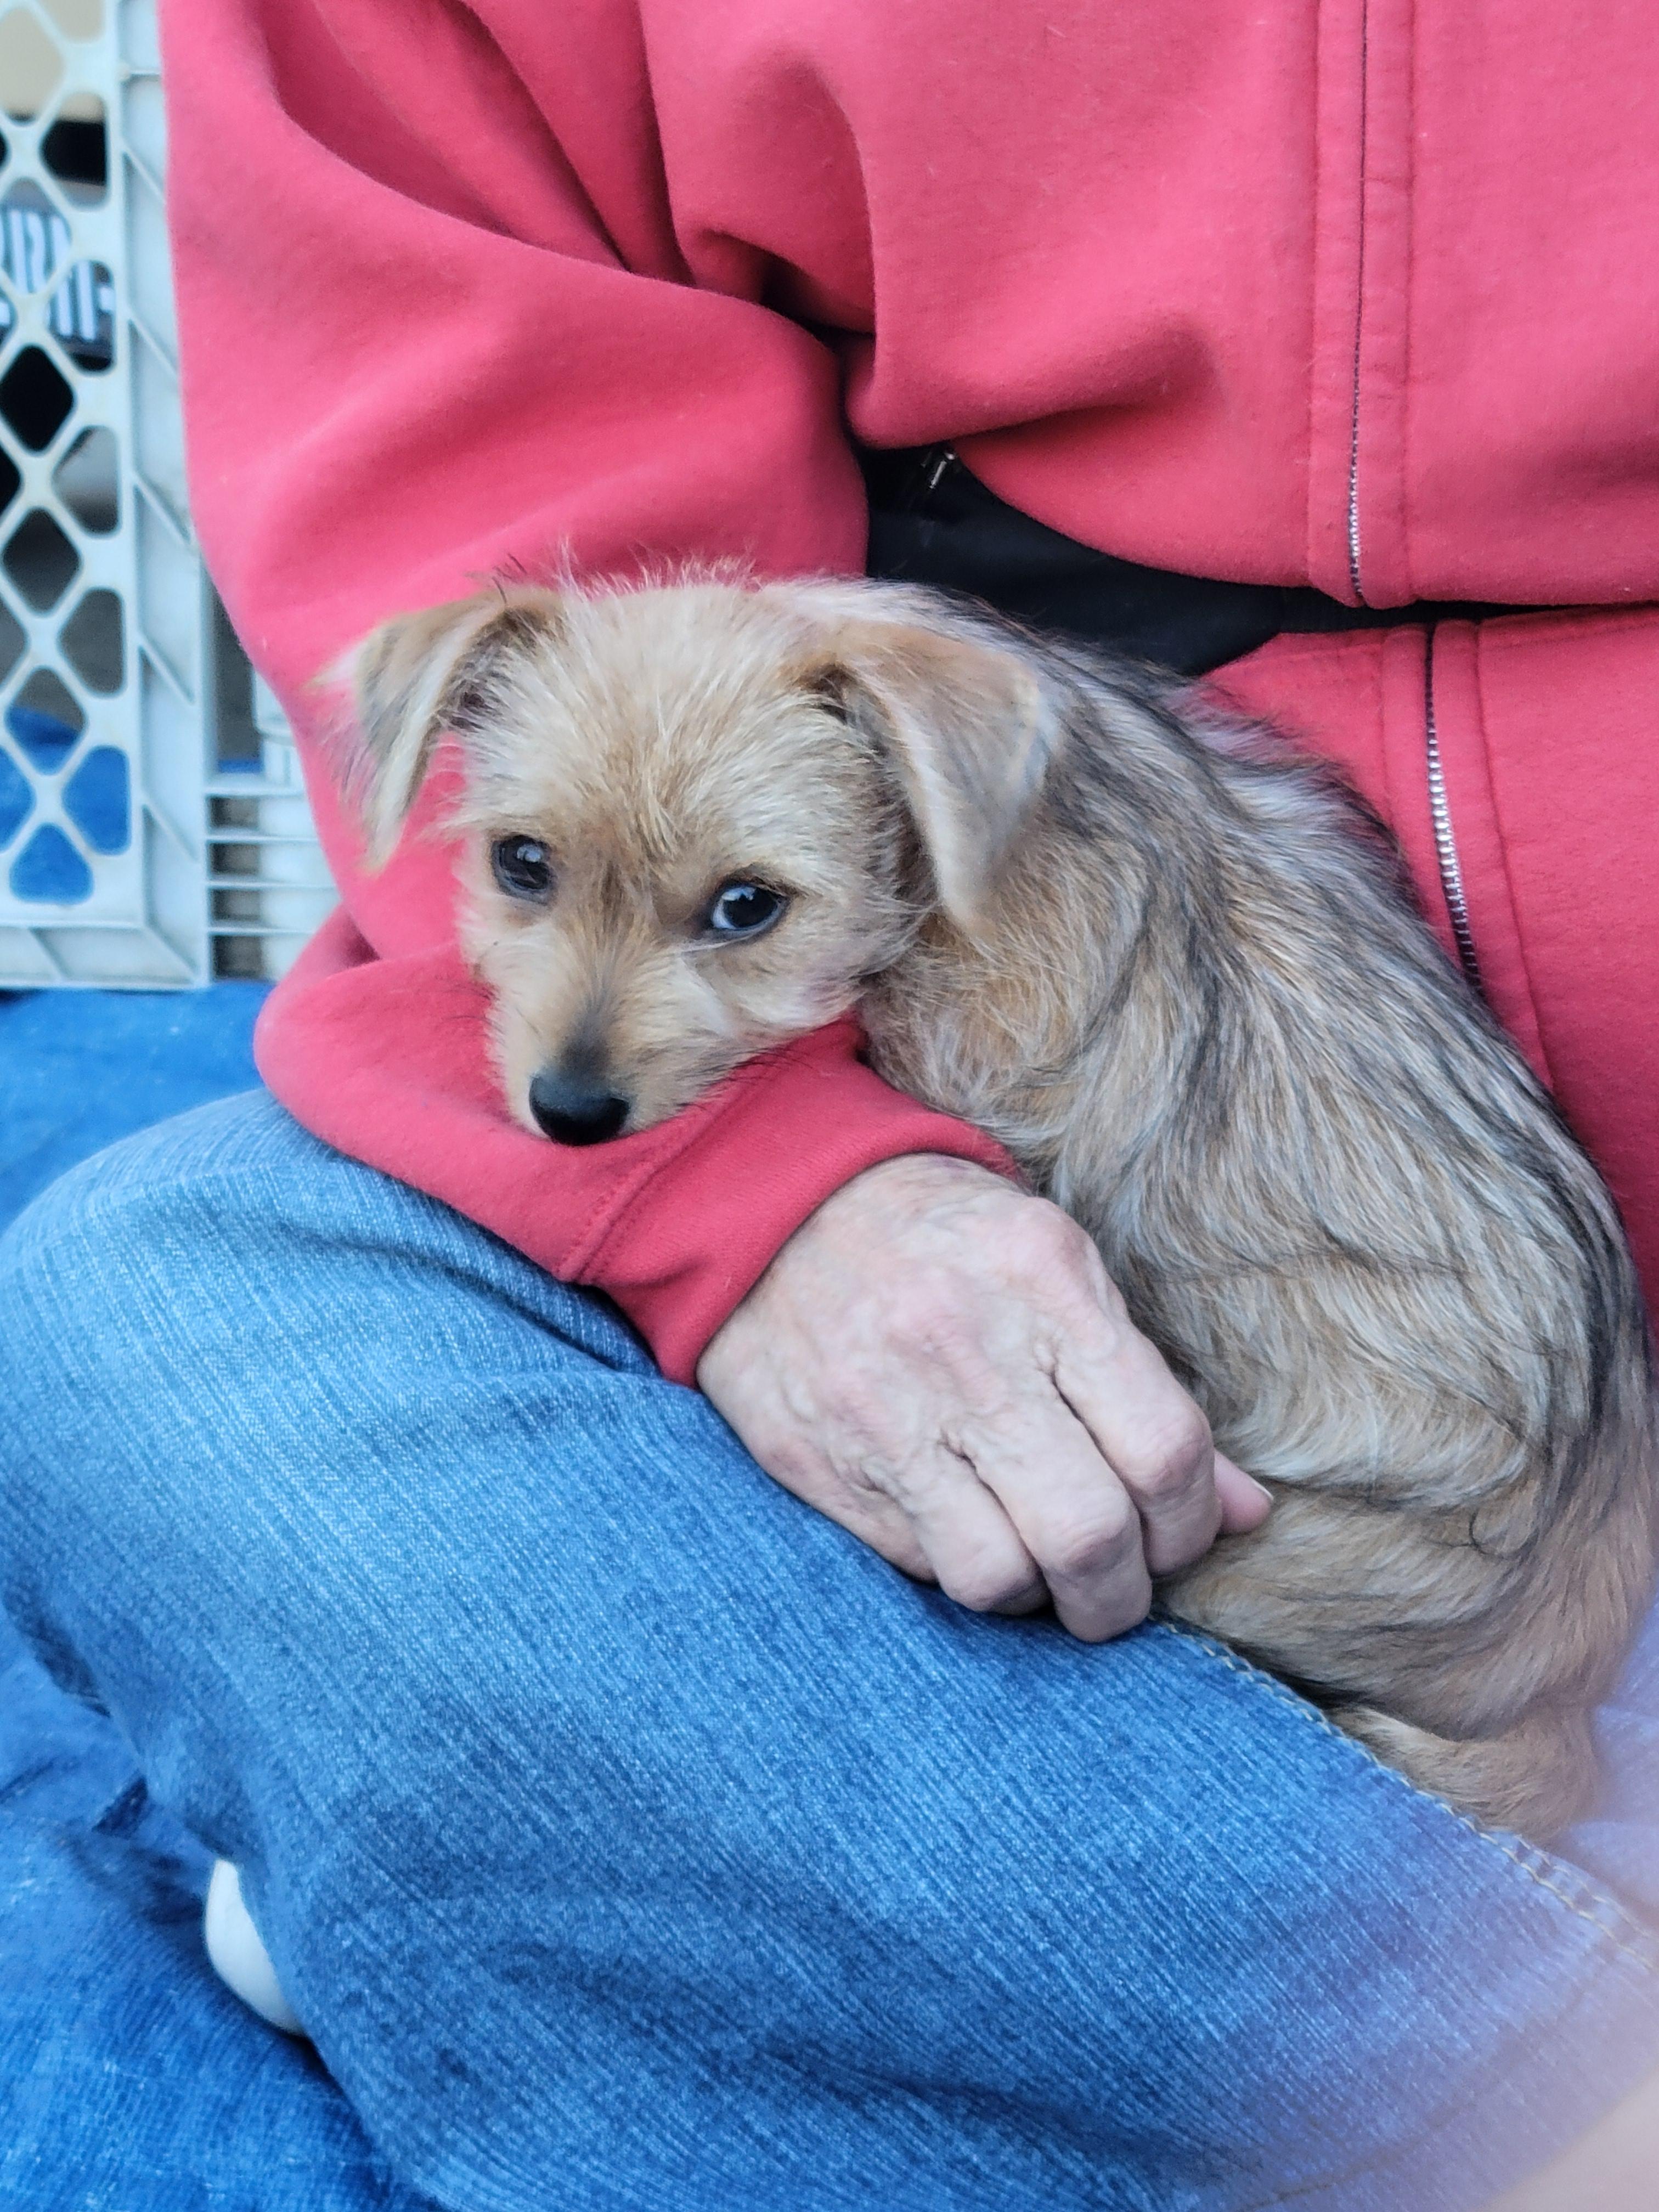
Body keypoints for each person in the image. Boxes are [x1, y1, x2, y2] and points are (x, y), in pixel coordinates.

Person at [3, 2, 1657, 2204]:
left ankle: (1376, 2068)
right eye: (520, 877)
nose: (583, 1013)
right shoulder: (777, 761)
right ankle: (1499, 2077)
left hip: (1405, 1500)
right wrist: (777, 1201)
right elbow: (519, 550)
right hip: (1060, 995)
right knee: (151, 1321)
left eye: (738, 921)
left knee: (295, 1837)